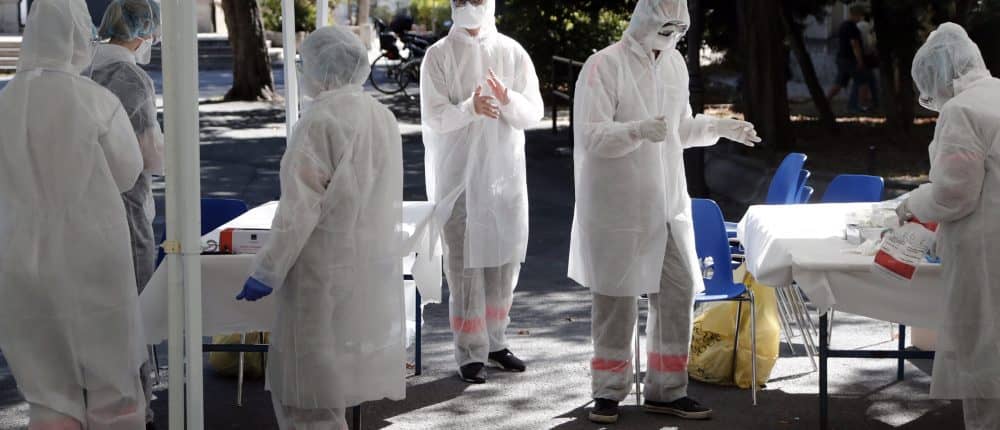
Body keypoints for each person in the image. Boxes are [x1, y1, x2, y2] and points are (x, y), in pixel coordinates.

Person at [568, 0, 759, 424]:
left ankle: (667, 390)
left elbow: (679, 129)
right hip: (617, 204)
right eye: (664, 26)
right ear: (643, 19)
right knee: (615, 299)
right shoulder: (603, 66)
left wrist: (718, 127)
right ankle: (608, 391)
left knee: (678, 290)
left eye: (678, 28)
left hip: (667, 203)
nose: (670, 36)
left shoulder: (674, 66)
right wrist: (636, 131)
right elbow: (593, 136)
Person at [236, 26, 406, 430]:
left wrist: (267, 269)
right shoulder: (380, 116)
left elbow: (298, 209)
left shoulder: (320, 121)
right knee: (336, 364)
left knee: (306, 379)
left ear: (322, 68)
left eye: (304, 63)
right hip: (361, 257)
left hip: (318, 262)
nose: (302, 70)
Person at [0, 0, 147, 428]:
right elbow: (128, 172)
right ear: (79, 37)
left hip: (18, 253)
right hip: (92, 250)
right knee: (112, 381)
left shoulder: (6, 101)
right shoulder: (94, 100)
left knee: (47, 387)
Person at [420, 0, 544, 384]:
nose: (468, 6)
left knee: (503, 265)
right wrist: (469, 108)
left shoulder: (511, 51)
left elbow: (534, 111)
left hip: (503, 178)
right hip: (458, 180)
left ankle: (496, 343)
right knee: (464, 270)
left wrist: (508, 99)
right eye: (461, 0)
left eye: (475, 0)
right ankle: (470, 352)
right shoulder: (438, 55)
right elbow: (434, 115)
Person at [899, 22, 1000, 430]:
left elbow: (953, 194)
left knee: (985, 358)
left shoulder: (962, 111)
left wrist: (910, 204)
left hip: (984, 253)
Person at [87, 1, 165, 426]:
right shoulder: (130, 77)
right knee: (132, 316)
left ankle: (95, 406)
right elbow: (148, 154)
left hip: (82, 209)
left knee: (92, 314)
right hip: (126, 211)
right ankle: (137, 410)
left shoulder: (84, 69)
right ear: (143, 31)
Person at [826, 4, 869, 114]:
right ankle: (862, 106)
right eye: (860, 16)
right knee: (863, 81)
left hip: (842, 58)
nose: (860, 18)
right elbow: (855, 44)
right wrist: (859, 60)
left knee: (839, 83)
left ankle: (825, 102)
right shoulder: (851, 27)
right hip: (850, 59)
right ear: (856, 15)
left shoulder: (844, 25)